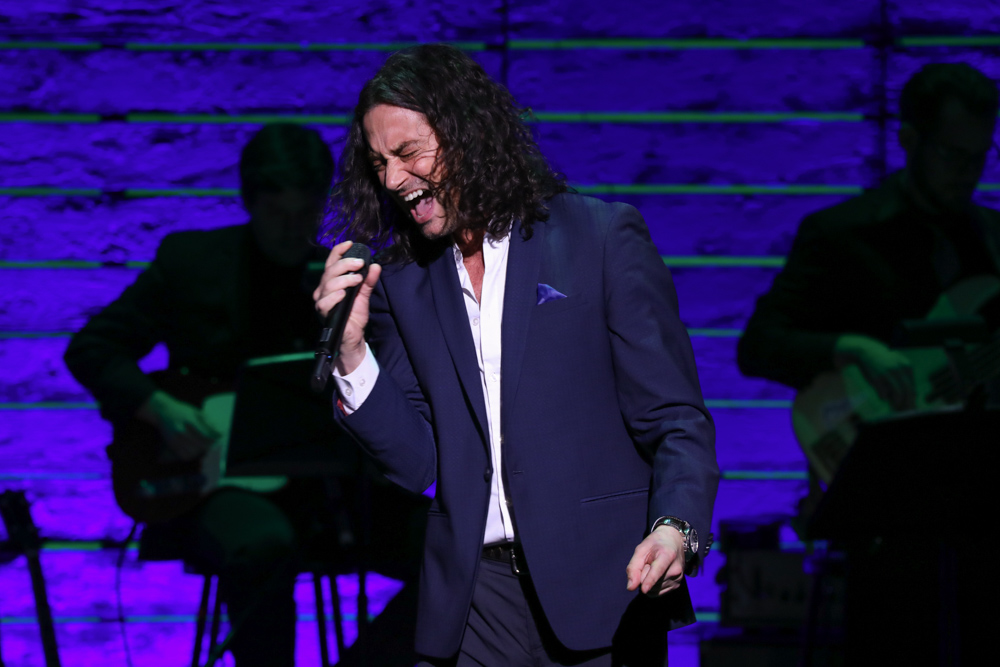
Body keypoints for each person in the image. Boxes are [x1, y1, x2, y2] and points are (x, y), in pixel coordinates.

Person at [313, 44, 719, 666]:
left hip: (604, 586)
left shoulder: (600, 240)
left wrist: (677, 527)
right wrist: (349, 352)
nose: (393, 180)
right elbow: (416, 461)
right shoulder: (404, 281)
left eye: (408, 153)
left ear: (467, 135)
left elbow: (676, 420)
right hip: (474, 601)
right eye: (378, 164)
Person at [737, 63, 1000, 664]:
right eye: (951, 154)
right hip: (886, 516)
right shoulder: (841, 234)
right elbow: (759, 346)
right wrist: (846, 347)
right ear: (908, 139)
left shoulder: (993, 239)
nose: (967, 173)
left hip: (985, 509)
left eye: (980, 157)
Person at [65, 123, 335, 666]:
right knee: (262, 546)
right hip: (214, 486)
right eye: (277, 214)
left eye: (305, 215)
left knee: (451, 543)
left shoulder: (338, 275)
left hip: (325, 487)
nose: (291, 230)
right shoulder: (193, 263)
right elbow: (93, 348)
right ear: (250, 202)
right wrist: (159, 409)